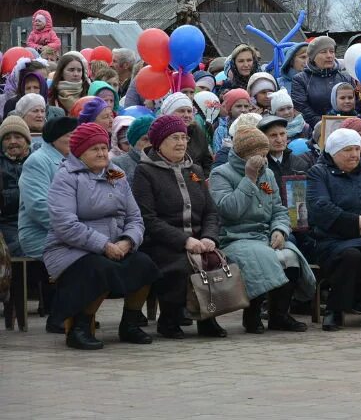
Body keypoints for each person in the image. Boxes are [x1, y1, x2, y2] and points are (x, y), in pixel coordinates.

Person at [43, 122, 159, 350]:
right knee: (101, 268)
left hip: (115, 245)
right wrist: (104, 245)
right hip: (69, 248)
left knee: (145, 265)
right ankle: (80, 328)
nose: (101, 153)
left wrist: (128, 241)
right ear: (79, 152)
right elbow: (65, 225)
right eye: (94, 149)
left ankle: (130, 324)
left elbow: (135, 218)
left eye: (104, 148)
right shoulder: (66, 177)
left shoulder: (116, 173)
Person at [209, 127, 315, 333]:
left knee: (290, 256)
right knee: (261, 257)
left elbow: (278, 208)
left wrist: (280, 230)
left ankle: (279, 315)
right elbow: (229, 210)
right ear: (243, 153)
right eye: (256, 154)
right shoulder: (221, 174)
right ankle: (252, 314)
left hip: (263, 235)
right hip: (234, 237)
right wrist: (248, 179)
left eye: (264, 154)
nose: (262, 159)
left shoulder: (267, 174)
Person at [131, 115, 225, 339]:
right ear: (159, 142)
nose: (181, 142)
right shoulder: (145, 172)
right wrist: (184, 241)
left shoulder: (195, 171)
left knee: (216, 261)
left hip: (198, 240)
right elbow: (148, 219)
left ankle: (208, 318)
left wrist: (209, 237)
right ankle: (169, 319)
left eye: (184, 137)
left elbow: (210, 211)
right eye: (175, 137)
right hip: (162, 242)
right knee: (181, 266)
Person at [306, 128, 361, 331]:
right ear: (334, 152)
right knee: (350, 254)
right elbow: (321, 208)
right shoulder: (318, 173)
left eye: (357, 148)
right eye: (348, 150)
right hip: (333, 239)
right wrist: (357, 223)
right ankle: (334, 311)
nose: (355, 154)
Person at [19, 117, 77, 260]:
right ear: (55, 138)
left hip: (73, 231)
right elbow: (38, 206)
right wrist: (75, 230)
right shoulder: (37, 161)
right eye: (71, 135)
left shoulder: (76, 160)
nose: (76, 139)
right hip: (42, 235)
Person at [291, 36, 353, 128]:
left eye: (331, 51)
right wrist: (324, 124)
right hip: (315, 130)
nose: (329, 55)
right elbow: (302, 107)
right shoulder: (301, 79)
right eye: (323, 52)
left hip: (346, 127)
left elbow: (354, 104)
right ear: (313, 57)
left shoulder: (345, 77)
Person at [161, 92, 214, 177]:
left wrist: (203, 180)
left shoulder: (197, 130)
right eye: (181, 111)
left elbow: (207, 160)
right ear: (169, 113)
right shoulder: (161, 134)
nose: (186, 115)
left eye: (189, 111)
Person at [0, 116, 32, 256]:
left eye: (18, 136)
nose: (12, 142)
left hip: (35, 221)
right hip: (7, 223)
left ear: (27, 140)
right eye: (7, 138)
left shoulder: (38, 161)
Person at [257, 115, 312, 196]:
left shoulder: (299, 163)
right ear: (262, 138)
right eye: (273, 135)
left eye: (282, 134)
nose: (279, 140)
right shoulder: (257, 166)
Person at [213, 88, 252, 154]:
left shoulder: (254, 126)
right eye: (238, 106)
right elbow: (218, 154)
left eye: (246, 106)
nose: (243, 110)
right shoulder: (221, 130)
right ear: (230, 109)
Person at [114, 115, 154, 181]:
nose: (150, 144)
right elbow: (112, 188)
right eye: (145, 139)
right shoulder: (117, 164)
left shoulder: (162, 162)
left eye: (153, 139)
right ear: (134, 142)